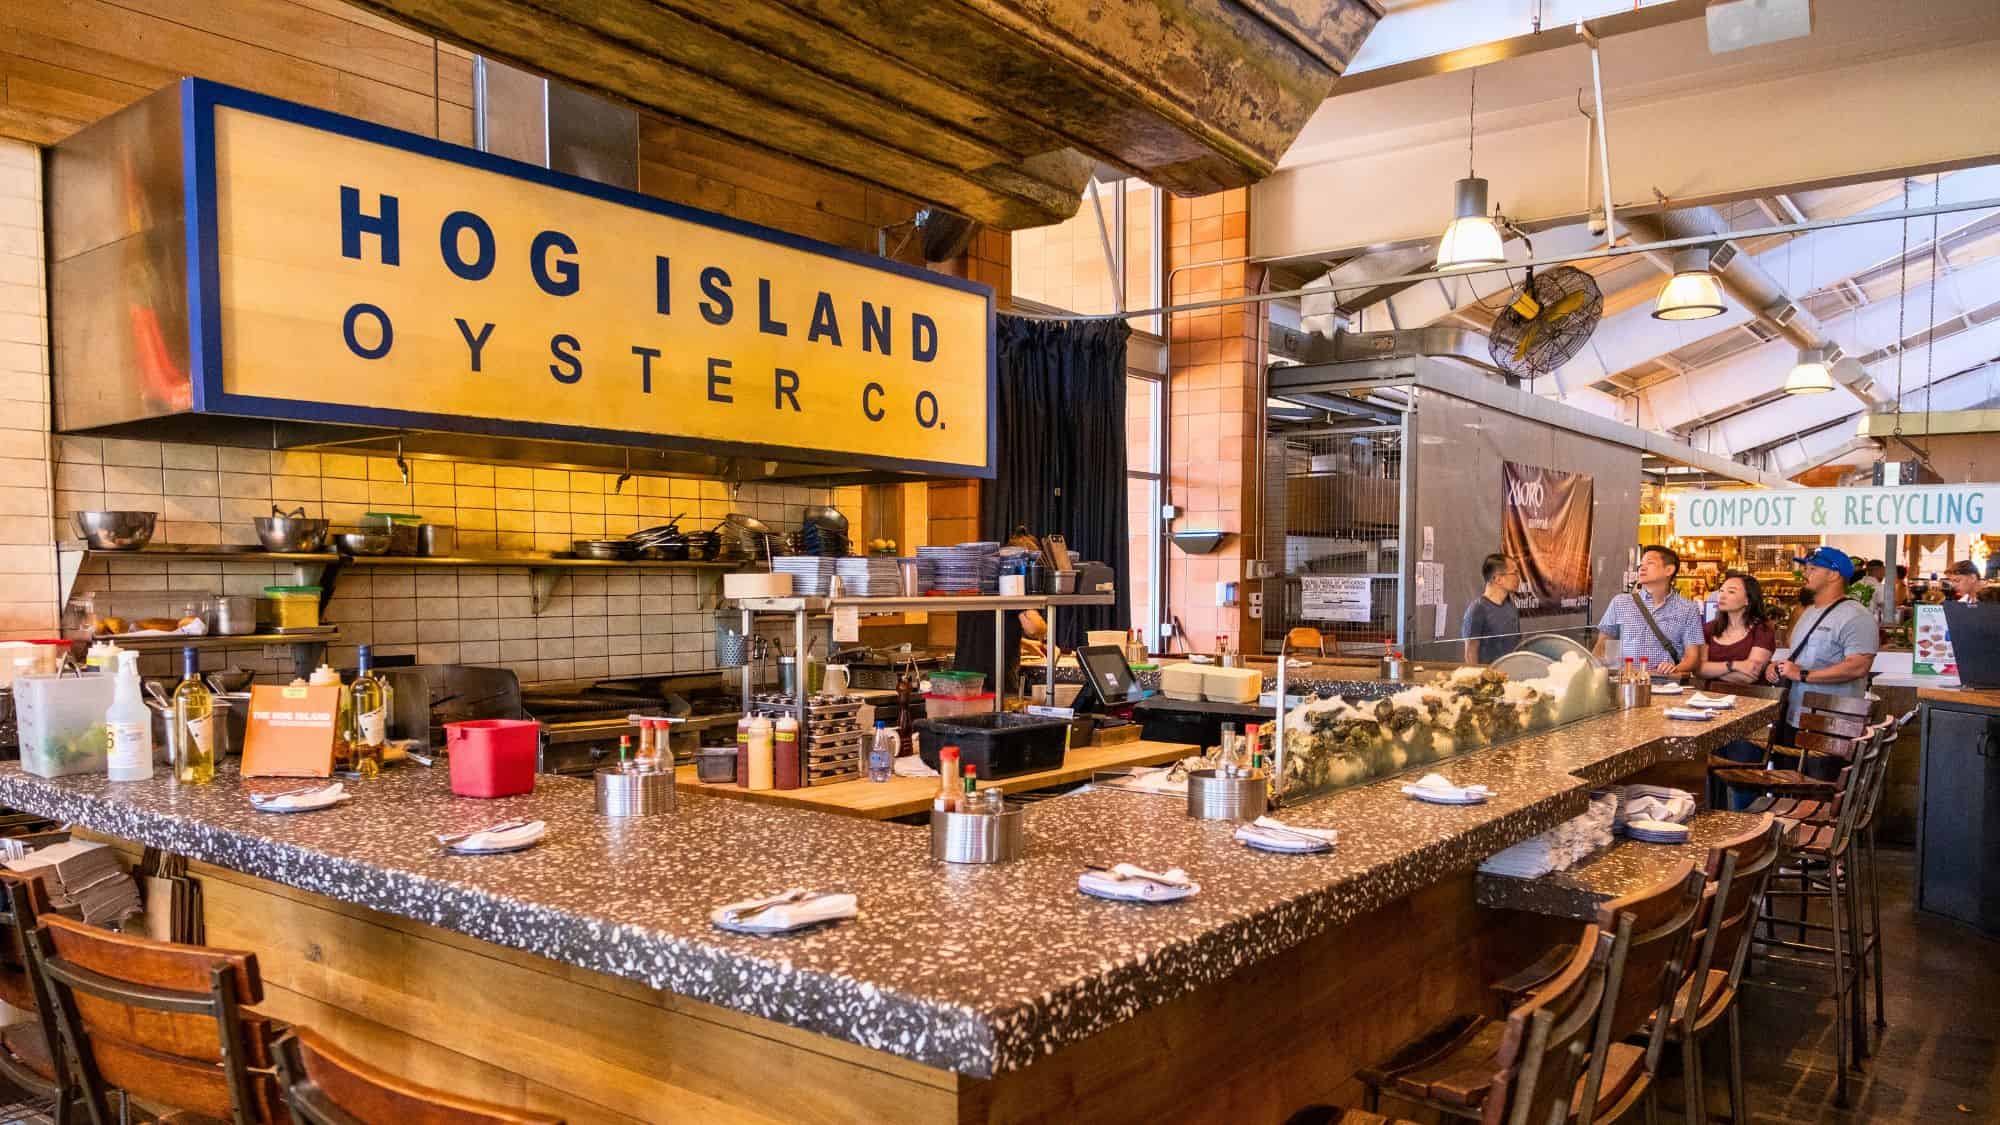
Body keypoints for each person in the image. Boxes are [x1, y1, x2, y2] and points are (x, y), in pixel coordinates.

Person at [1764, 547, 1879, 727]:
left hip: (1831, 724)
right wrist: (1780, 666)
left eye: (1813, 569)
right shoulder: (1809, 612)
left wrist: (1801, 674)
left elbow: (1858, 667)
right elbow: (1807, 658)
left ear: (1833, 575)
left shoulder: (1856, 616)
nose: (1805, 574)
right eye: (1806, 568)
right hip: (1796, 716)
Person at [1595, 545, 1705, 678]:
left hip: (1666, 682)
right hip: (1628, 681)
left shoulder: (1688, 608)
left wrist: (1674, 669)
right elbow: (1602, 646)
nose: (1642, 568)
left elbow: (1692, 658)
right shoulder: (1620, 602)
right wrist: (1603, 673)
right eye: (1641, 564)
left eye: (1650, 563)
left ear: (1669, 570)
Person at [1697, 573, 1775, 687]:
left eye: (1731, 592)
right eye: (1721, 591)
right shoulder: (1708, 629)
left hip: (1750, 696)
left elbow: (1749, 676)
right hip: (1709, 696)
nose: (1722, 596)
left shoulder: (1762, 631)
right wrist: (1733, 666)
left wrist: (1710, 673)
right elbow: (1698, 669)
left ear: (1748, 600)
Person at [1461, 553, 1522, 664]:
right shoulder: (1477, 609)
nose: (1519, 578)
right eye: (1515, 573)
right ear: (1497, 579)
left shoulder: (1511, 606)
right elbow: (1470, 654)